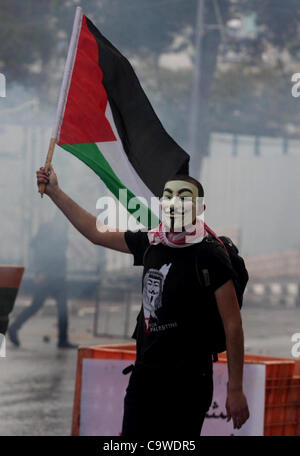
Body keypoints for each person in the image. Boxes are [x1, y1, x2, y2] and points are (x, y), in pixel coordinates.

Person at [35, 165, 249, 436]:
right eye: (168, 196)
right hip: (146, 375)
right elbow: (96, 232)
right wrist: (55, 191)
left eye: (183, 197)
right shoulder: (152, 241)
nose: (174, 202)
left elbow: (233, 325)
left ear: (199, 208)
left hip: (189, 380)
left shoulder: (210, 254)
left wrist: (235, 389)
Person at [8, 212, 76, 349]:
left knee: (61, 308)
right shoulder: (48, 229)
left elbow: (45, 250)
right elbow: (38, 249)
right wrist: (40, 271)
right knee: (36, 305)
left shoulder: (61, 230)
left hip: (58, 277)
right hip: (47, 276)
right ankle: (14, 328)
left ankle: (63, 340)